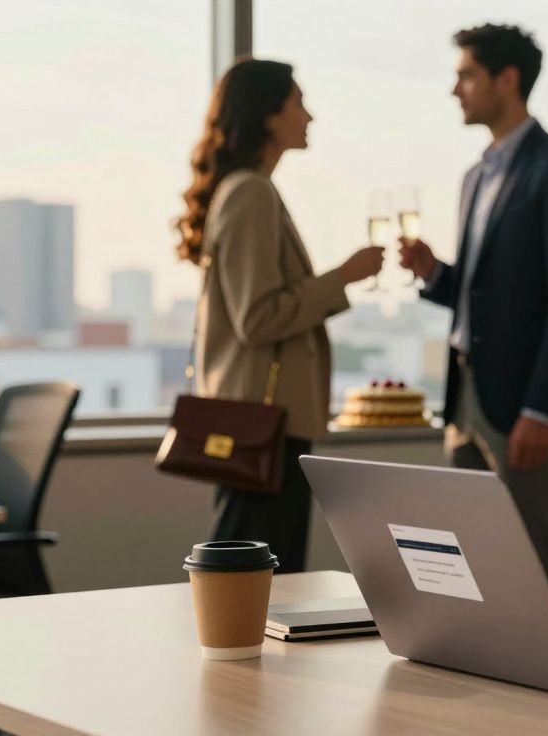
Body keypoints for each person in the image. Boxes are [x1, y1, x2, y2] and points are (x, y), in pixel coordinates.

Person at [400, 24, 548, 605]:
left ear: (506, 79)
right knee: (468, 560)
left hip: (524, 404)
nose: (455, 89)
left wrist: (542, 408)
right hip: (465, 394)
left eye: (466, 74)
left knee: (536, 560)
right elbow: (484, 295)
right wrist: (435, 273)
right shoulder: (474, 177)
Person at [173, 58, 384, 572]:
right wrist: (342, 277)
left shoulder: (244, 189)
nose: (308, 116)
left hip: (256, 421)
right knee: (258, 580)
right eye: (297, 102)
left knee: (251, 577)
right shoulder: (250, 192)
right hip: (265, 428)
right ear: (269, 116)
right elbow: (258, 318)